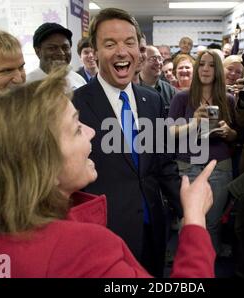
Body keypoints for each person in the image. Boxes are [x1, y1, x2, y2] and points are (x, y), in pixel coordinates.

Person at [0, 67, 216, 278]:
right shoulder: (86, 249)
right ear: (42, 162)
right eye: (77, 128)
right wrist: (194, 222)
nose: (92, 132)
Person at [72, 8, 182, 277]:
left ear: (139, 49)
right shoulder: (74, 105)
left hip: (153, 229)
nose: (122, 51)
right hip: (103, 236)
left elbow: (163, 164)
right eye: (110, 44)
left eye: (129, 42)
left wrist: (189, 209)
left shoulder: (152, 100)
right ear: (94, 52)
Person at [168, 50, 238, 254]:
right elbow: (171, 133)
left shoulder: (228, 99)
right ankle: (187, 269)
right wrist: (194, 123)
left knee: (213, 224)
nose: (206, 69)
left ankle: (209, 269)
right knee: (189, 221)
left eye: (211, 65)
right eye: (202, 64)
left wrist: (227, 132)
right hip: (188, 165)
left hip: (219, 165)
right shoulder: (182, 98)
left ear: (218, 70)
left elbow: (236, 136)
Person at [26, 22, 86, 90]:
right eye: (52, 48)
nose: (61, 53)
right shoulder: (26, 85)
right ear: (38, 52)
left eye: (65, 48)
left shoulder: (79, 81)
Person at [139, 45, 177, 112]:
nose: (158, 63)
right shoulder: (132, 88)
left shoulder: (170, 91)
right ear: (141, 61)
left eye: (160, 59)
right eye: (153, 59)